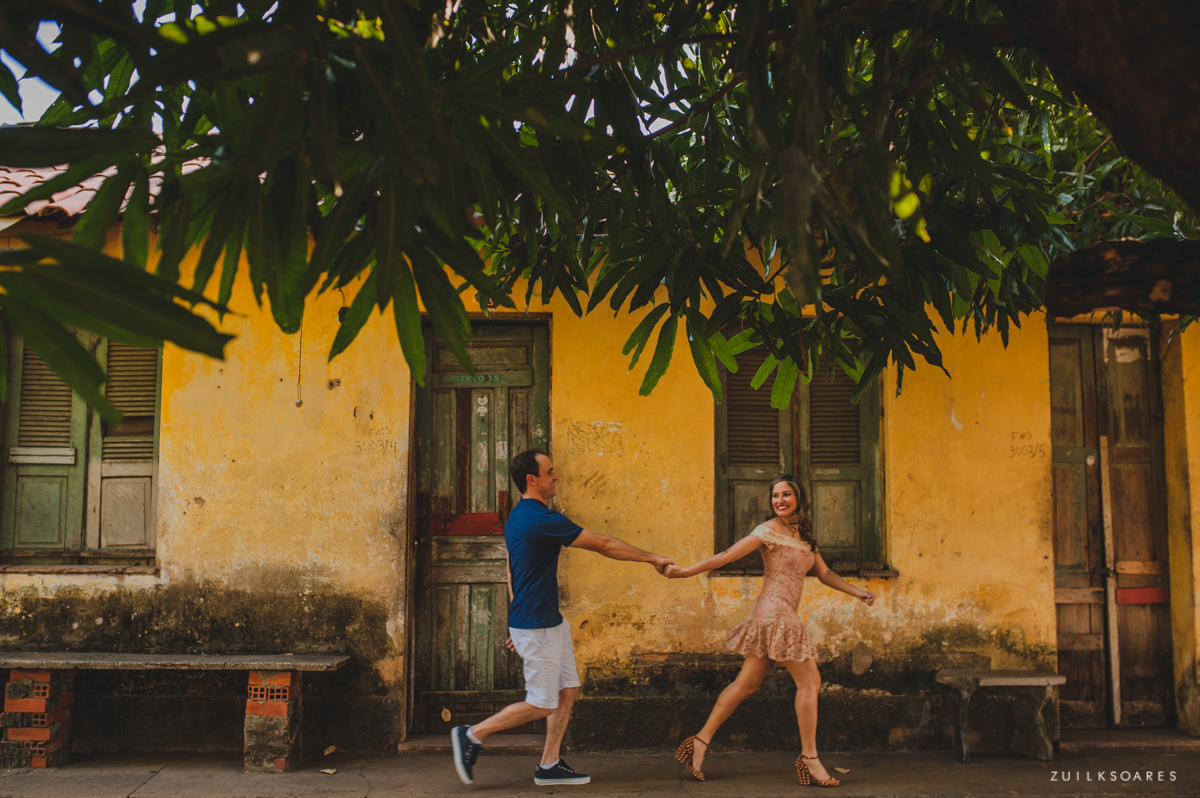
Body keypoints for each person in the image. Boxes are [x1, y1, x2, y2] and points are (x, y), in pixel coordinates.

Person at [451, 448, 675, 787]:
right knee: (542, 703)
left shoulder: (518, 515)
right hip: (537, 626)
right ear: (532, 479)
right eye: (550, 472)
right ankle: (472, 734)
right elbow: (604, 544)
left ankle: (549, 764)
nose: (556, 477)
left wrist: (517, 619)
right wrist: (652, 558)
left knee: (567, 690)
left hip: (546, 622)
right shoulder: (542, 519)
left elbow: (512, 571)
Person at [665, 475, 875, 788]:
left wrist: (857, 592)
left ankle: (699, 741)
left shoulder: (804, 534)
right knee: (810, 683)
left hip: (779, 613)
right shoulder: (767, 530)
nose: (779, 501)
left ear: (799, 498)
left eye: (786, 494)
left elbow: (825, 573)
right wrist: (685, 572)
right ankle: (810, 758)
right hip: (775, 613)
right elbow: (727, 556)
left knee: (745, 685)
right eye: (775, 496)